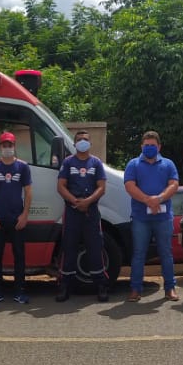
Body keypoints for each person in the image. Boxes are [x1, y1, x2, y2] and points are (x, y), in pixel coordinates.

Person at [123, 130, 179, 302]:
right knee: (139, 253)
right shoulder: (133, 164)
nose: (149, 148)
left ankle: (170, 289)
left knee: (166, 254)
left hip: (163, 218)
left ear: (159, 147)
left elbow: (174, 184)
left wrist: (159, 199)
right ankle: (135, 289)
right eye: (146, 145)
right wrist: (148, 200)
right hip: (141, 218)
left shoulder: (168, 164)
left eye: (152, 146)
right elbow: (129, 186)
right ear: (141, 146)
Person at [56, 129, 110, 302]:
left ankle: (101, 286)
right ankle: (65, 286)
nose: (82, 142)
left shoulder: (96, 163)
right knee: (69, 248)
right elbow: (61, 186)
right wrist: (75, 201)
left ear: (90, 143)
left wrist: (87, 202)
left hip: (91, 213)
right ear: (74, 143)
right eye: (79, 140)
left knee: (95, 249)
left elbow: (101, 187)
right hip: (72, 212)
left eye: (85, 139)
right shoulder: (68, 163)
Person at [0, 131, 33, 304]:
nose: (7, 148)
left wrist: (25, 215)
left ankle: (19, 291)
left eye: (10, 145)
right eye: (4, 145)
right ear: (0, 147)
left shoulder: (23, 167)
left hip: (17, 219)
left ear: (14, 146)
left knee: (19, 256)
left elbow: (28, 192)